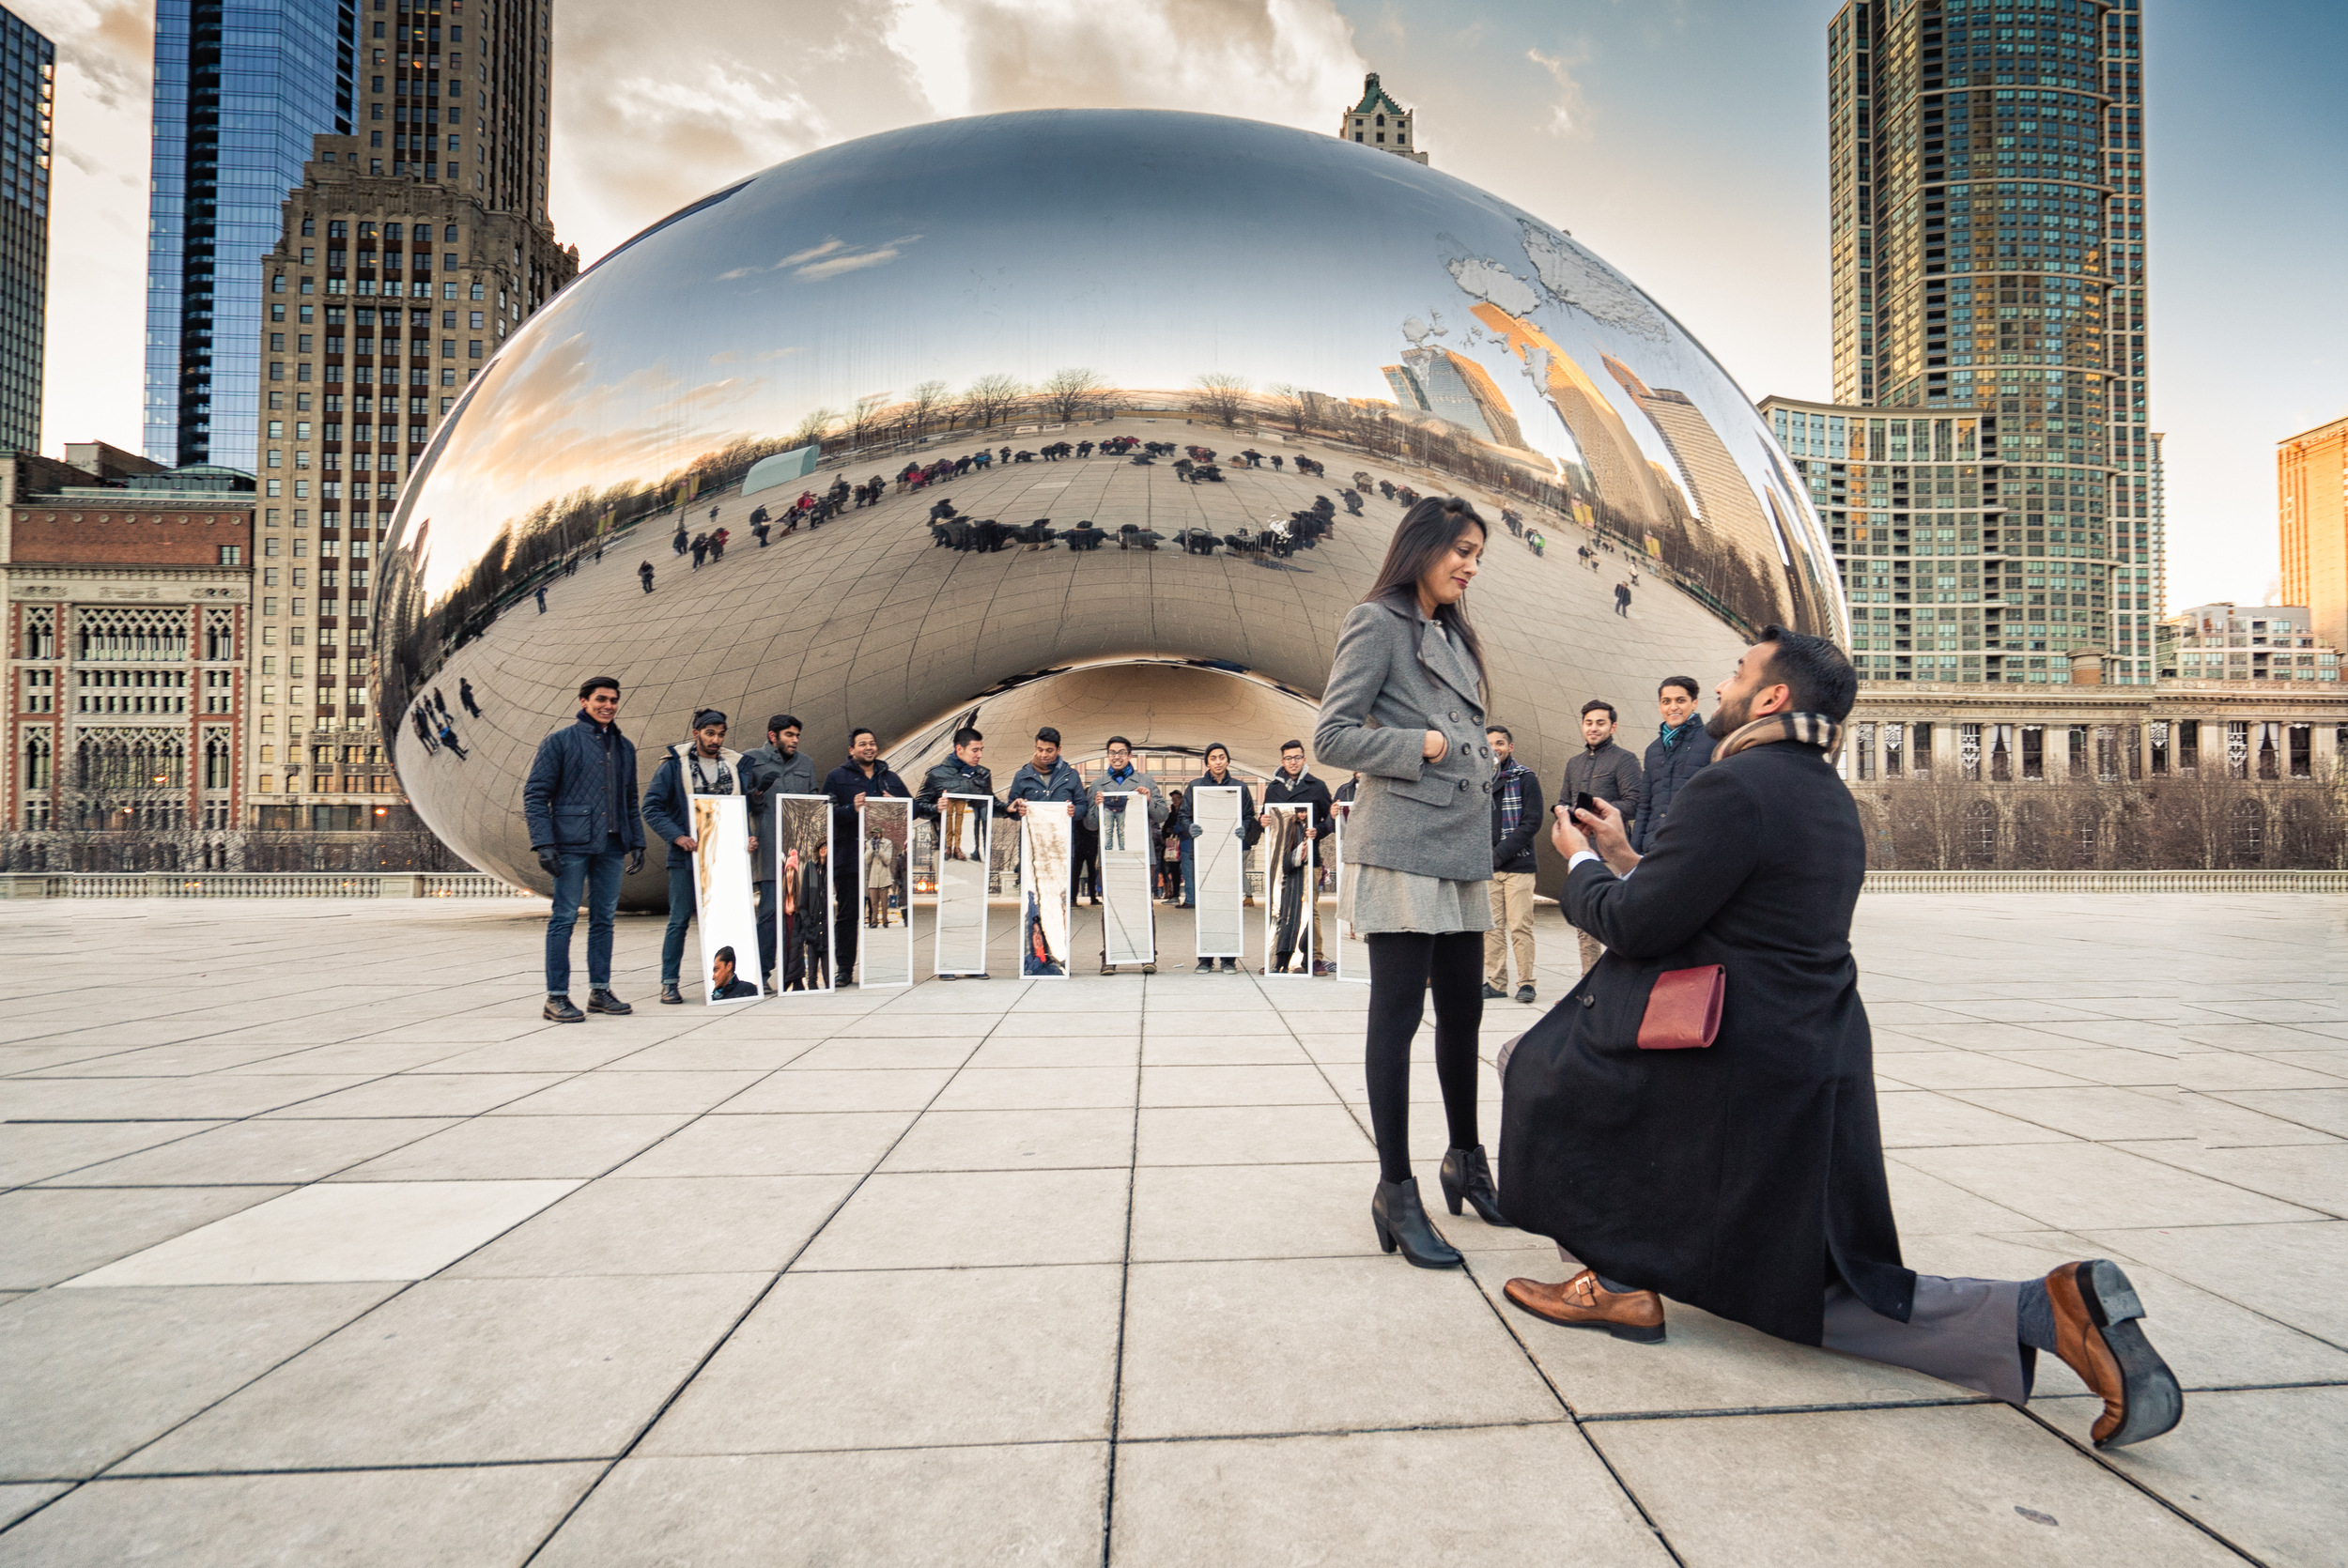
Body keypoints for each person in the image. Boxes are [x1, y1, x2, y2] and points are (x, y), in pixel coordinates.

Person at [1498, 627, 2184, 1452]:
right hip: (1809, 1048)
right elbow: (1725, 900)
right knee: (1789, 1260)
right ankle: (1619, 1277)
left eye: (1737, 674)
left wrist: (1580, 867)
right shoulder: (1821, 794)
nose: (1721, 687)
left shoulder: (1734, 788)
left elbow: (1638, 927)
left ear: (1773, 697)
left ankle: (2046, 1307)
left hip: (1732, 1057)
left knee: (1549, 1079)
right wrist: (1629, 853)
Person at [1314, 495, 1508, 1267]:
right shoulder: (1377, 623)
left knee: (1463, 1012)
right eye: (1461, 549)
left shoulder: (1455, 636)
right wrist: (1419, 744)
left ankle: (1466, 1157)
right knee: (1395, 1019)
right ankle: (1395, 1189)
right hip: (1400, 843)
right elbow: (1332, 734)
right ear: (1421, 546)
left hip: (1459, 845)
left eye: (1478, 557)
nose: (1469, 566)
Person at [521, 676, 643, 1022]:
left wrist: (637, 841)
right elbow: (535, 795)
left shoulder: (625, 746)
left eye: (613, 700)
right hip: (571, 844)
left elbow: (630, 799)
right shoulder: (559, 742)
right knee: (564, 919)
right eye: (601, 699)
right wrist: (544, 843)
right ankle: (556, 997)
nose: (608, 706)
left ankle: (599, 991)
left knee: (604, 920)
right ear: (583, 702)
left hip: (612, 844)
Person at [641, 708, 754, 1007]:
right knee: (679, 920)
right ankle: (669, 984)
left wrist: (747, 836)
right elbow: (651, 807)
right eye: (709, 733)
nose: (716, 740)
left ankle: (728, 983)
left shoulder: (733, 768)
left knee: (727, 921)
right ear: (696, 733)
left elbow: (741, 809)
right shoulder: (673, 768)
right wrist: (677, 836)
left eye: (720, 734)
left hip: (724, 858)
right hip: (685, 858)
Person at [824, 728, 912, 985]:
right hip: (849, 858)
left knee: (881, 914)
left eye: (872, 743)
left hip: (881, 865)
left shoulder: (890, 778)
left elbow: (911, 808)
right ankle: (844, 969)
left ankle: (882, 968)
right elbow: (825, 814)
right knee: (849, 915)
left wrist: (896, 803)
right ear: (852, 750)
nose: (869, 748)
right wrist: (853, 808)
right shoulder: (836, 777)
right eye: (863, 744)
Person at [1560, 699, 1642, 976]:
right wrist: (1564, 813)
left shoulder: (1624, 759)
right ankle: (1587, 983)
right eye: (1588, 723)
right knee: (1585, 923)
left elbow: (1634, 802)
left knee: (1613, 919)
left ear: (1613, 727)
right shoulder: (1574, 763)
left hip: (1610, 852)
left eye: (1600, 723)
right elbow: (1563, 800)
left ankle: (1616, 980)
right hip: (1581, 852)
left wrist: (1597, 812)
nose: (1593, 728)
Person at [742, 714, 820, 994]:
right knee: (770, 913)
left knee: (798, 915)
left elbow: (813, 803)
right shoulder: (751, 760)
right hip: (768, 849)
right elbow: (742, 803)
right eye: (789, 735)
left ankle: (795, 976)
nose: (795, 740)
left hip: (798, 852)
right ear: (772, 736)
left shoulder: (806, 763)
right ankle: (761, 973)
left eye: (797, 735)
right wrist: (758, 793)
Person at [1259, 739, 1335, 976]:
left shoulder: (1318, 786)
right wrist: (1262, 822)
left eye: (1297, 757)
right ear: (1282, 762)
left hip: (1310, 857)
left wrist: (1318, 831)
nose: (1293, 762)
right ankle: (1277, 957)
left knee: (1309, 909)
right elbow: (1267, 819)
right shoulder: (1273, 788)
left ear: (1304, 760)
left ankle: (1314, 959)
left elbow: (1330, 819)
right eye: (1289, 758)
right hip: (1281, 861)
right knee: (1279, 908)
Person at [1182, 742, 1259, 972]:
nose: (1218, 761)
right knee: (1205, 906)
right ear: (1207, 762)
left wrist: (1244, 827)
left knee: (1227, 906)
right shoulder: (1195, 786)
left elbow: (1249, 815)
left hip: (1229, 855)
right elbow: (1184, 816)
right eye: (1213, 758)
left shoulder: (1240, 788)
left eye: (1221, 757)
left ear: (1227, 761)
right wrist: (1190, 827)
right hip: (1204, 854)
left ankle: (1228, 958)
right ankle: (1205, 958)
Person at [1482, 725, 1543, 1004]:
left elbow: (1532, 822)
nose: (1495, 748)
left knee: (1520, 926)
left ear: (1510, 747)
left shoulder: (1524, 778)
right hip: (1487, 868)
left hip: (1517, 866)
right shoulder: (1477, 780)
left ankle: (1526, 983)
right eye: (1490, 744)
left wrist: (1499, 854)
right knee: (1491, 929)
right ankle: (1495, 981)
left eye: (1500, 743)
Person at [1633, 676, 1715, 855]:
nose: (1673, 707)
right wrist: (1635, 850)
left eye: (1680, 700)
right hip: (1652, 849)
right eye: (1666, 701)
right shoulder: (1653, 750)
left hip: (1692, 848)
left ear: (1694, 703)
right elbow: (1645, 805)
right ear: (1660, 706)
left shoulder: (1712, 742)